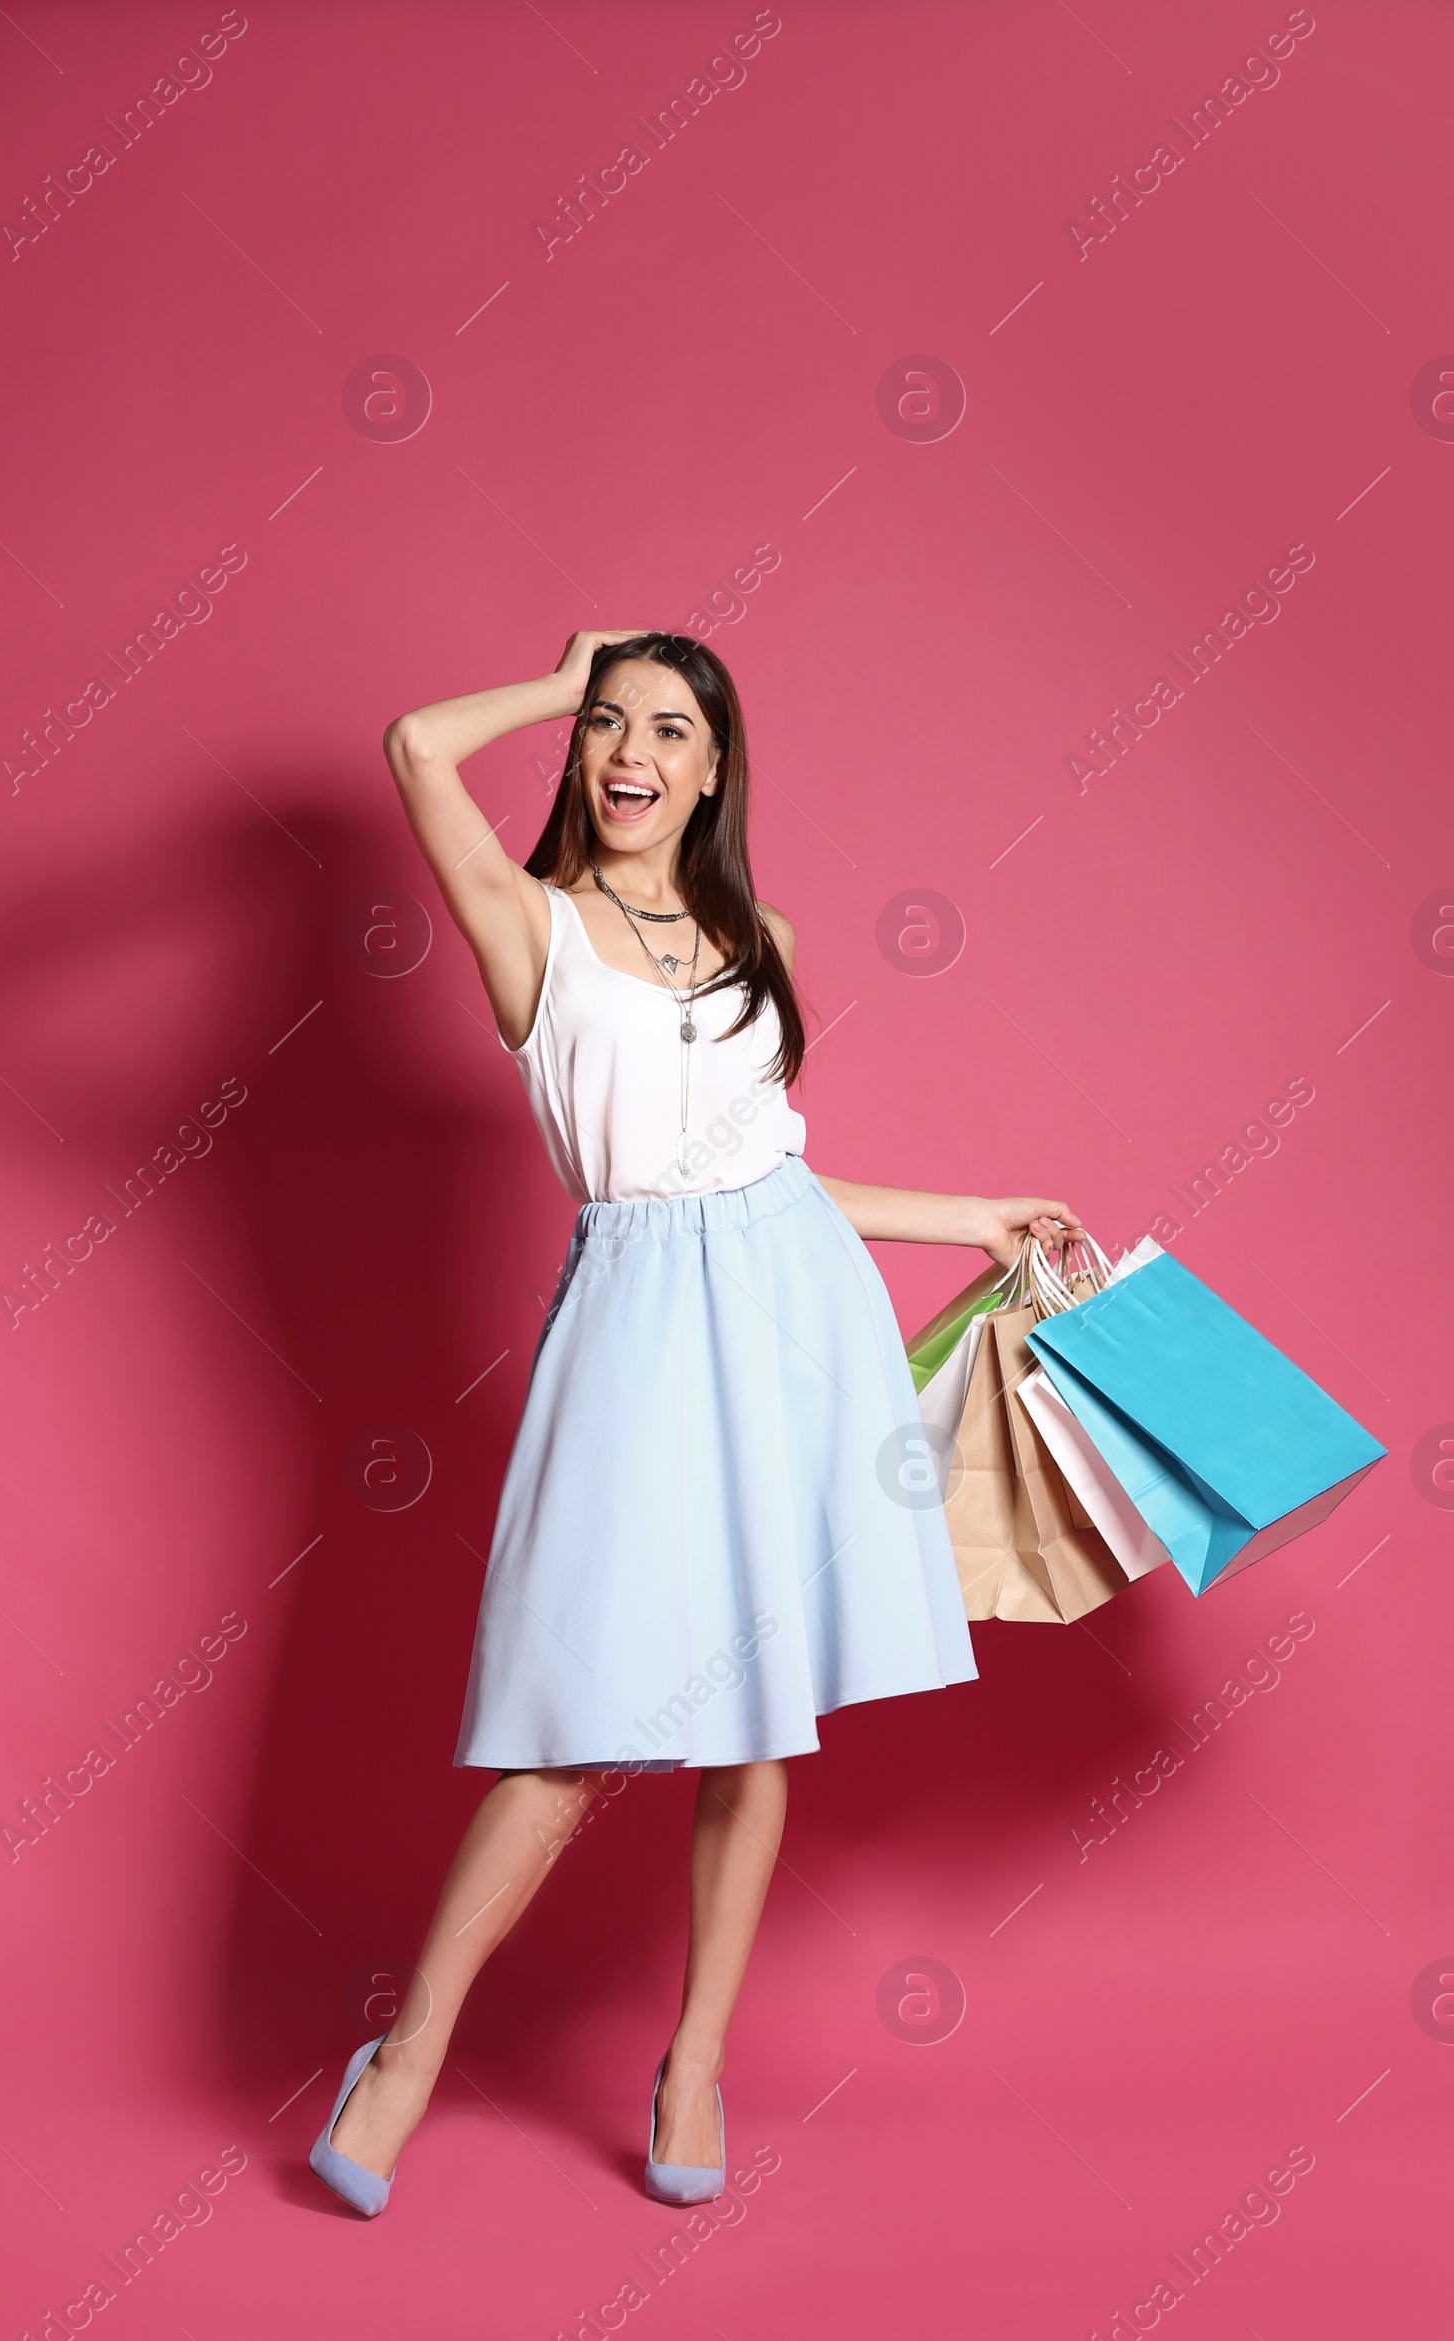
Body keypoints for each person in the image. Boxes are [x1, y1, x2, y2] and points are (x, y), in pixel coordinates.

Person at [309, 631, 1084, 2216]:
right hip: (637, 1333)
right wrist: (557, 674)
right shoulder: (532, 925)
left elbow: (769, 1176)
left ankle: (696, 2064)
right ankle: (409, 2054)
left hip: (794, 1332)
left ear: (716, 765)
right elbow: (408, 746)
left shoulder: (764, 938)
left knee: (754, 1718)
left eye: (669, 726)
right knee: (580, 1733)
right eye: (607, 725)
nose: (629, 750)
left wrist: (971, 1217)